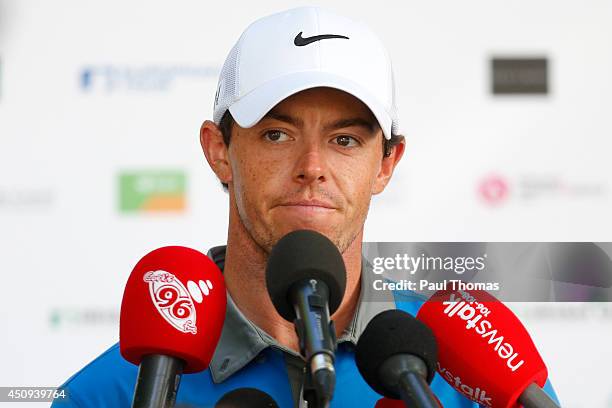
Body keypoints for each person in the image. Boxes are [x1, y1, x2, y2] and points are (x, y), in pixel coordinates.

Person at [53, 6, 558, 407]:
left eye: (344, 140)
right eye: (277, 133)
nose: (312, 166)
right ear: (218, 151)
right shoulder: (112, 393)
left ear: (386, 163)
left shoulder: (476, 369)